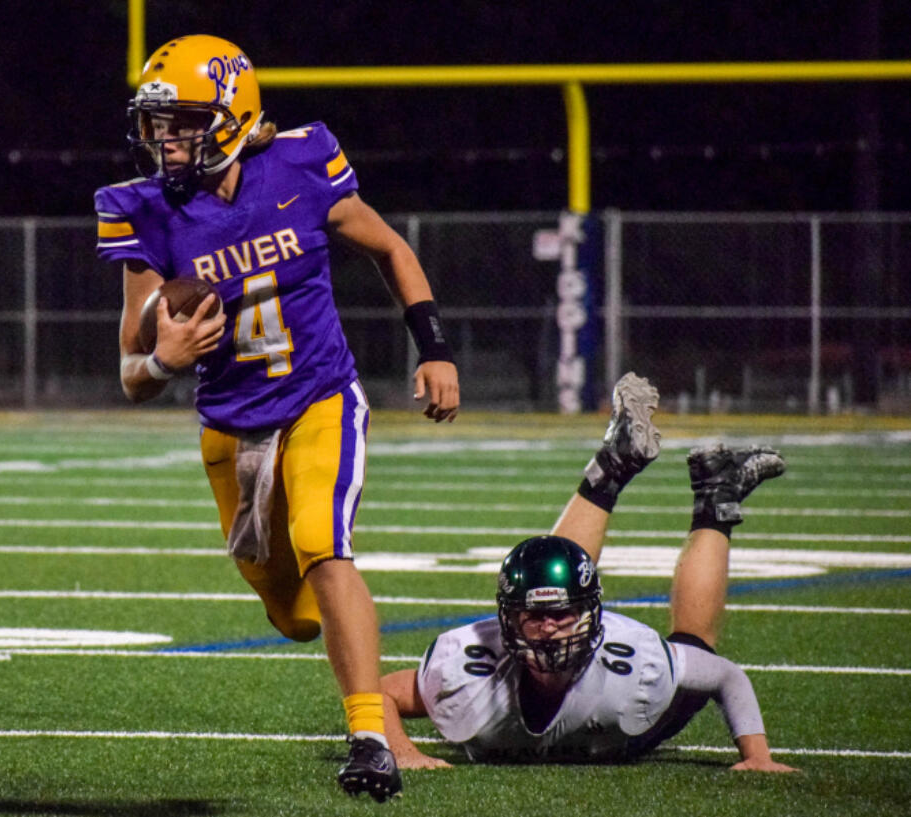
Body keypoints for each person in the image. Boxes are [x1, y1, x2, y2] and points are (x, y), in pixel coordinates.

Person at [95, 34, 460, 802]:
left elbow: (390, 248)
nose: (166, 140)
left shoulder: (300, 162)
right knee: (292, 612)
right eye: (157, 124)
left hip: (320, 393)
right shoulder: (145, 212)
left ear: (233, 114)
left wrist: (433, 346)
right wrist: (164, 359)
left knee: (325, 545)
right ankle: (360, 695)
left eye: (183, 122)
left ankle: (370, 736)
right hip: (231, 422)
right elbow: (131, 373)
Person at [381, 373, 798, 773]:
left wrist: (756, 755)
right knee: (553, 573)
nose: (548, 628)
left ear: (590, 616)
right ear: (507, 619)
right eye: (534, 615)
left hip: (626, 732)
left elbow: (725, 675)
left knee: (695, 647)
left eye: (561, 615)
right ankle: (635, 471)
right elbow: (378, 692)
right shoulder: (469, 667)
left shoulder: (636, 664)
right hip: (595, 731)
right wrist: (401, 751)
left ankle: (715, 500)